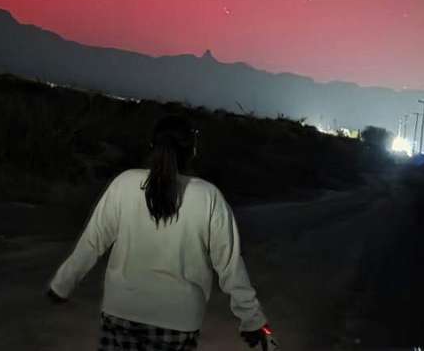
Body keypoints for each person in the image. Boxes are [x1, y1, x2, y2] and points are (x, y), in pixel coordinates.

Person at [47, 115, 276, 350]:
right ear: (192, 151)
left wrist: (62, 284)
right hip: (178, 322)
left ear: (151, 147)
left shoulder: (124, 183)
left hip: (121, 312)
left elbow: (92, 242)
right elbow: (229, 265)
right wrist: (252, 320)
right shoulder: (208, 197)